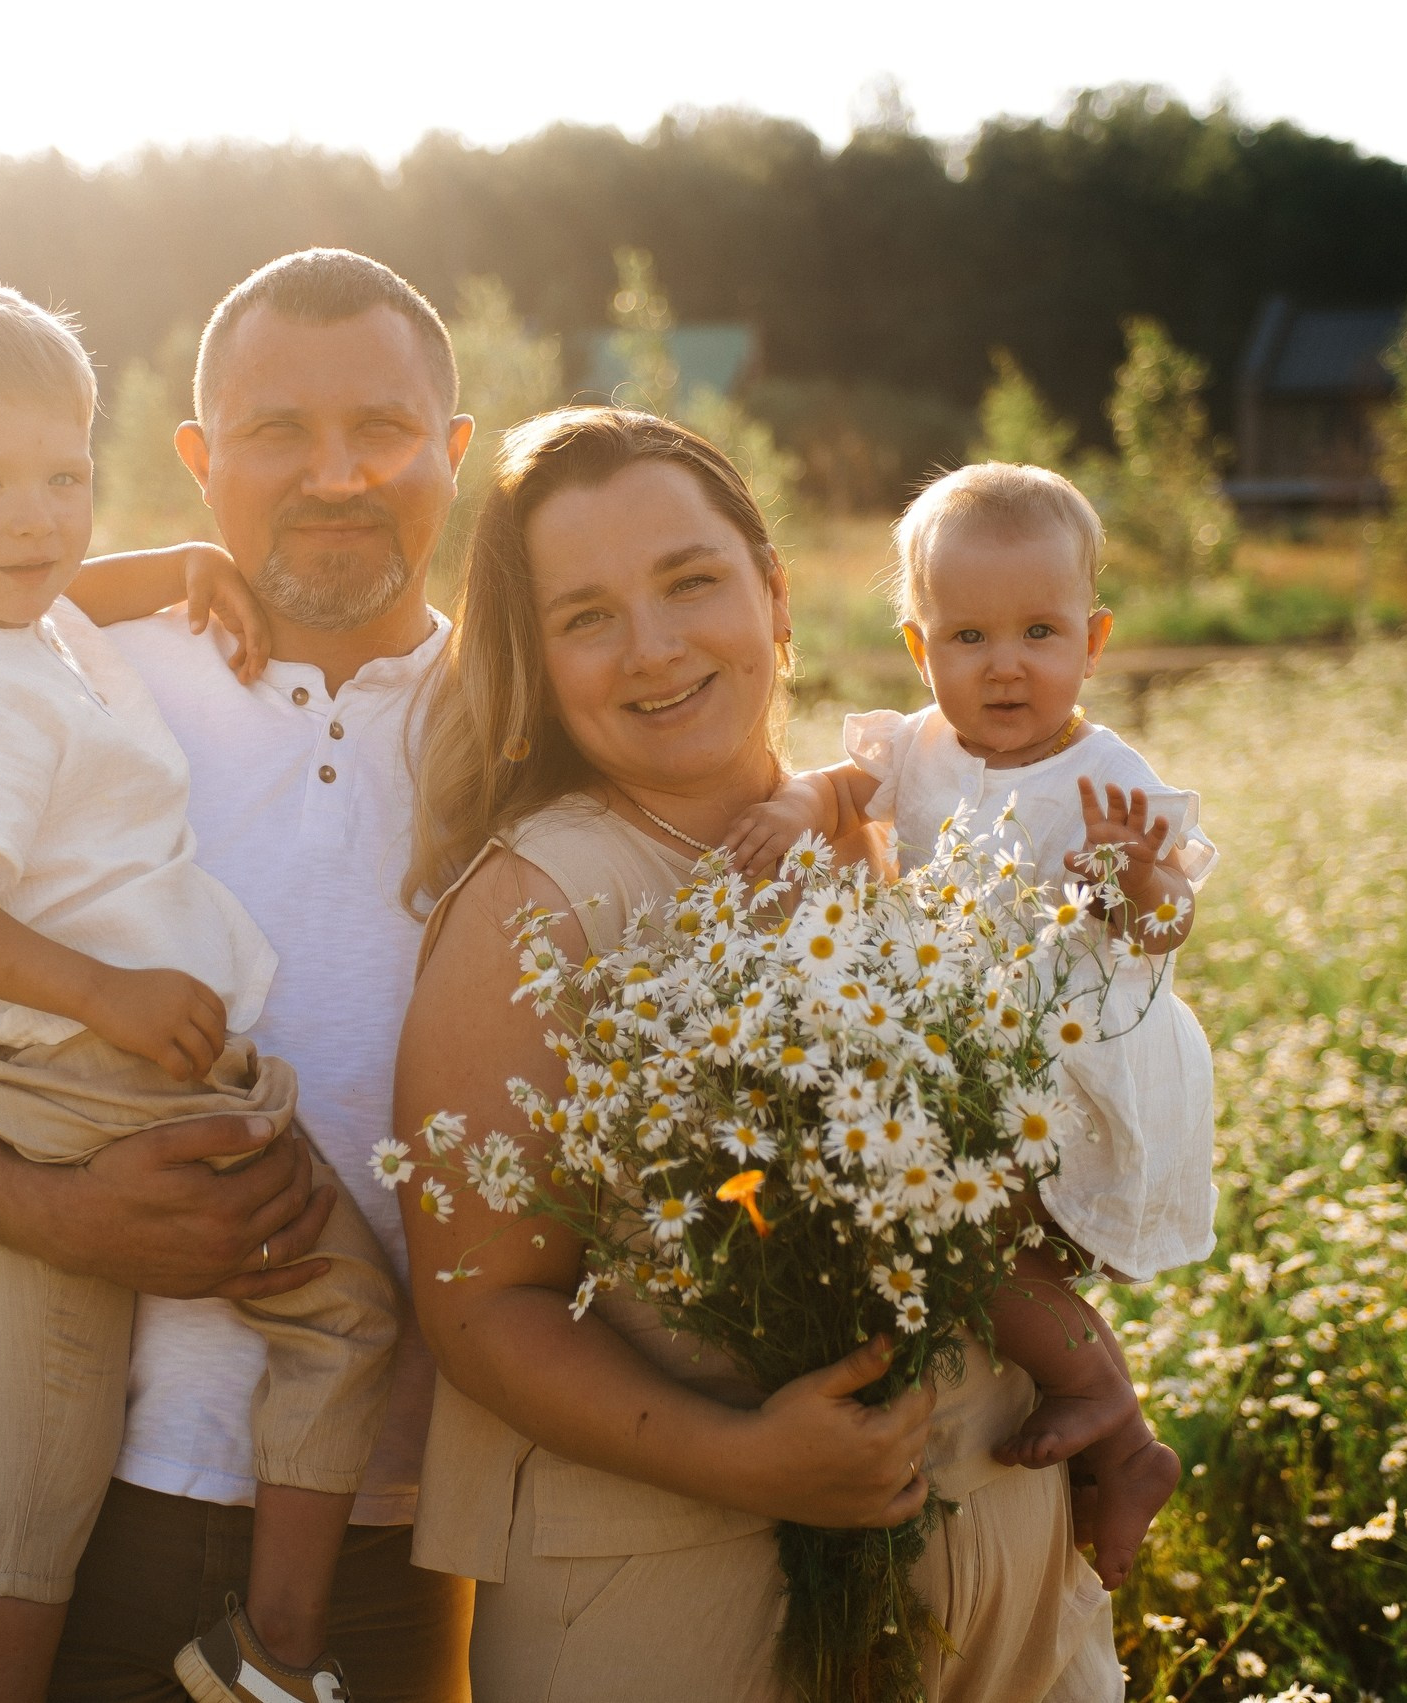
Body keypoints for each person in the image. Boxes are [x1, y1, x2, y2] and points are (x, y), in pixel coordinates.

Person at [0, 248, 478, 1703]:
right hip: (24, 1459)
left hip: (380, 1515)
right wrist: (61, 1213)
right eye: (277, 430)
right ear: (201, 459)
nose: (334, 473)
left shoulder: (516, 722)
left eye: (382, 429)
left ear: (452, 456)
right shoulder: (64, 664)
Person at [393, 407, 1123, 1703]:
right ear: (539, 659)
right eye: (587, 615)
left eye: (691, 582)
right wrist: (747, 1461)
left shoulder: (895, 838)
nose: (656, 647)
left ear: (774, 596)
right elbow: (480, 1303)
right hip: (675, 1597)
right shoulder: (541, 900)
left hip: (995, 1574)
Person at [720, 460, 1216, 1588]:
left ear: (1092, 643)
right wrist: (800, 802)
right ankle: (1121, 1459)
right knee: (971, 1252)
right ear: (918, 648)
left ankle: (1108, 1404)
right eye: (968, 636)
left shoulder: (1107, 774)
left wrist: (1140, 882)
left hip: (1072, 1059)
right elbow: (846, 790)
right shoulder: (921, 748)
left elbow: (1166, 922)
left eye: (1039, 631)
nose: (1004, 664)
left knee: (981, 1242)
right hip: (963, 1047)